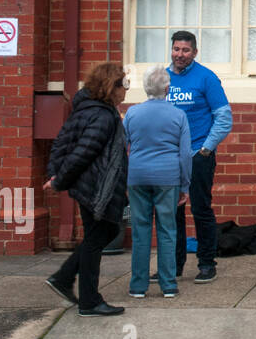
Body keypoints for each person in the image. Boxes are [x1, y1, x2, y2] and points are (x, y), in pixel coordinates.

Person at [43, 62, 129, 317]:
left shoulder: (85, 109)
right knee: (98, 236)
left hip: (88, 186)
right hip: (96, 188)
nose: (126, 91)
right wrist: (58, 180)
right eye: (123, 85)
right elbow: (82, 153)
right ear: (111, 87)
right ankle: (88, 299)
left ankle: (65, 278)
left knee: (100, 234)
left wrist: (55, 172)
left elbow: (62, 142)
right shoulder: (102, 116)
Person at [166, 30, 232, 284]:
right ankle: (172, 266)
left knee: (201, 210)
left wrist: (206, 149)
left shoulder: (206, 78)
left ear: (194, 52)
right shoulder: (164, 77)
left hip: (198, 155)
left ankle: (206, 263)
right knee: (172, 213)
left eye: (185, 50)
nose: (179, 54)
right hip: (170, 157)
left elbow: (224, 118)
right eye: (176, 49)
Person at [124, 66, 192, 298]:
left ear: (145, 88)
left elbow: (122, 146)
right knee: (167, 230)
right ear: (167, 88)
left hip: (138, 176)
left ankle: (138, 285)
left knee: (140, 231)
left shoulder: (132, 114)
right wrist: (185, 185)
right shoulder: (178, 115)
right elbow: (185, 154)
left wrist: (125, 177)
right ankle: (168, 284)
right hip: (168, 177)